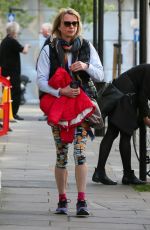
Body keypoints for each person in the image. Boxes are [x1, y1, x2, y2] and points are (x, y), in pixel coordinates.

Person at [37, 8, 104, 216]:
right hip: (59, 109)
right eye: (67, 23)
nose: (71, 27)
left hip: (81, 110)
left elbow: (100, 75)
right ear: (59, 26)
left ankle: (82, 201)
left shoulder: (86, 46)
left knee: (81, 154)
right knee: (61, 156)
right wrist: (60, 91)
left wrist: (85, 65)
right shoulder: (49, 48)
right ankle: (62, 199)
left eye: (74, 23)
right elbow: (40, 80)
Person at [92, 64, 150, 185]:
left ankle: (101, 172)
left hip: (122, 92)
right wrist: (145, 116)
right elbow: (143, 96)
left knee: (112, 133)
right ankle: (126, 175)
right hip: (125, 95)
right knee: (124, 134)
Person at [0, 21, 30, 120]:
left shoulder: (4, 41)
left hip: (4, 72)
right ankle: (13, 113)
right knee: (15, 92)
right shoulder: (12, 41)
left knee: (7, 93)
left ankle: (7, 113)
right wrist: (27, 45)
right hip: (13, 72)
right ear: (14, 31)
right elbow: (24, 51)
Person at [38, 22, 52, 121]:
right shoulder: (48, 40)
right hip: (45, 73)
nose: (40, 31)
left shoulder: (50, 40)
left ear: (47, 30)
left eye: (42, 29)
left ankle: (48, 113)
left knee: (45, 93)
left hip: (47, 75)